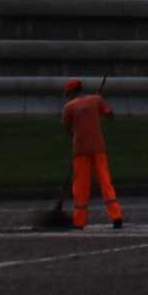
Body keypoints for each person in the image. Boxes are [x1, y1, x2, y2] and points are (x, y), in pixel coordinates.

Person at [62, 77, 123, 230]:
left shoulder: (69, 107)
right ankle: (116, 216)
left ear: (72, 93)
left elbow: (68, 129)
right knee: (105, 182)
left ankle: (79, 221)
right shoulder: (96, 100)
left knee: (80, 186)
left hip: (80, 150)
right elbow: (111, 115)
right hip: (98, 147)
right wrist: (97, 107)